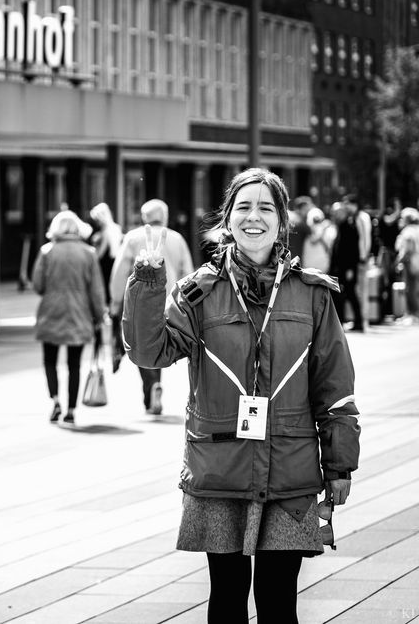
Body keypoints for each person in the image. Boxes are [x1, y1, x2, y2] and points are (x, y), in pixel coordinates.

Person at [122, 168, 360, 623]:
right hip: (220, 467)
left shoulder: (312, 295)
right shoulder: (199, 292)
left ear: (282, 221)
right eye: (244, 207)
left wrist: (340, 463)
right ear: (227, 219)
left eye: (266, 208)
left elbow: (335, 388)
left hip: (291, 468)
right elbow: (149, 353)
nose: (254, 217)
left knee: (278, 600)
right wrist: (148, 283)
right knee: (227, 597)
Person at [109, 199, 194, 415]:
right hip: (171, 301)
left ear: (144, 217)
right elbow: (189, 272)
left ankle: (150, 385)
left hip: (142, 301)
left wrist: (116, 301)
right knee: (162, 341)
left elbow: (120, 272)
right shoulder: (176, 238)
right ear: (164, 216)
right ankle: (156, 382)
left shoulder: (132, 238)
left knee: (142, 341)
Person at [31, 210, 105, 424]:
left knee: (50, 360)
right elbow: (96, 290)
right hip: (79, 313)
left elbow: (38, 285)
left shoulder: (47, 251)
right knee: (74, 364)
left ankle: (55, 401)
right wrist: (99, 317)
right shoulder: (88, 253)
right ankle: (71, 410)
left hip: (50, 312)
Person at [329, 200, 364, 331]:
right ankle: (341, 322)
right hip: (340, 267)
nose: (334, 214)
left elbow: (353, 250)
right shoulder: (341, 226)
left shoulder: (349, 226)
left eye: (337, 212)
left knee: (350, 294)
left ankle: (358, 322)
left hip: (347, 268)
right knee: (341, 294)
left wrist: (350, 269)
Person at [88, 202, 123, 304]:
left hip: (104, 268)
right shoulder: (116, 229)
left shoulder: (106, 232)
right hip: (113, 265)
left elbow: (99, 255)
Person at [395, 207, 419, 324]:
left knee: (410, 289)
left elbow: (408, 248)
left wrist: (400, 260)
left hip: (410, 263)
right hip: (416, 262)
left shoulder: (408, 231)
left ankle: (412, 314)